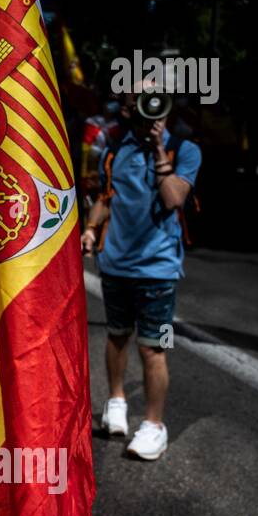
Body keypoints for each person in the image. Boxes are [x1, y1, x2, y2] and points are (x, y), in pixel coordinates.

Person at [81, 84, 201, 461]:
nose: (143, 105)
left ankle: (154, 425)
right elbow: (105, 197)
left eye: (153, 97)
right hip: (115, 263)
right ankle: (116, 400)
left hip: (158, 269)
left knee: (153, 347)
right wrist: (89, 228)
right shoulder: (115, 151)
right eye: (135, 100)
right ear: (127, 108)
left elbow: (174, 198)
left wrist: (160, 150)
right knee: (117, 335)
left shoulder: (184, 149)